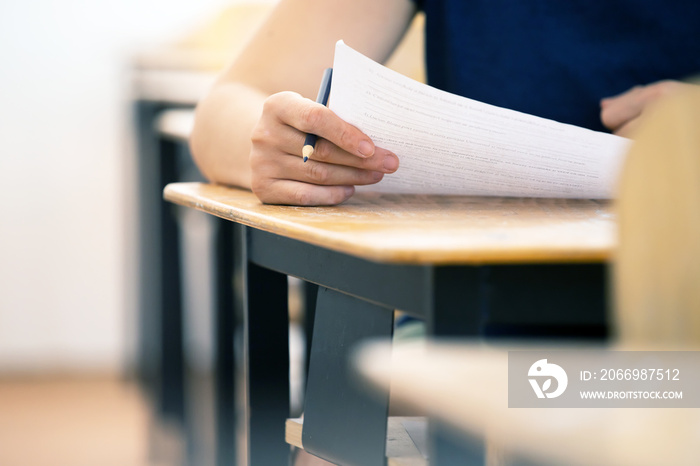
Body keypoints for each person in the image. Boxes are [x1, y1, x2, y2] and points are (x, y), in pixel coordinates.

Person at [190, 0, 700, 207]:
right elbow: (225, 110)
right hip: (474, 310)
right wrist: (282, 146)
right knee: (365, 419)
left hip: (677, 321)